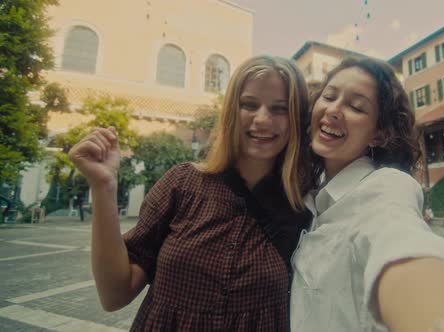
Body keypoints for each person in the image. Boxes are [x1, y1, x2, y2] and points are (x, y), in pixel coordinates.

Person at [69, 55, 311, 331]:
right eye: (249, 104)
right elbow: (115, 294)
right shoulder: (182, 184)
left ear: (296, 119)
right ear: (232, 110)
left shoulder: (305, 205)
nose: (263, 119)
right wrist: (103, 188)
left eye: (280, 109)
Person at [290, 57, 444, 332]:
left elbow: (400, 242)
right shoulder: (312, 196)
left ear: (379, 135)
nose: (335, 110)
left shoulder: (385, 188)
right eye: (329, 96)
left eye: (356, 107)